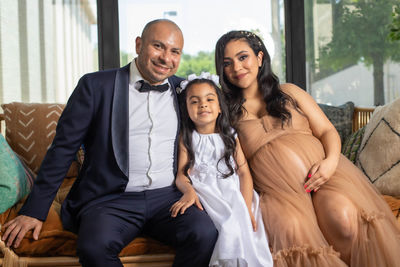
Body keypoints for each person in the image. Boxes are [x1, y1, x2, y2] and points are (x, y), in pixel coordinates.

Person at [1, 19, 218, 267]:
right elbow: (63, 149)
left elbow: (218, 127)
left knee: (205, 234)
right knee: (93, 247)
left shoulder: (185, 91)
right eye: (158, 46)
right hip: (109, 199)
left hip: (168, 198)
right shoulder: (95, 86)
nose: (165, 57)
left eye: (174, 51)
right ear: (139, 45)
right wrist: (34, 210)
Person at [215, 30, 400, 267]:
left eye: (243, 57)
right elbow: (234, 164)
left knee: (342, 218)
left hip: (324, 175)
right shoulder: (226, 113)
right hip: (278, 192)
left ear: (260, 58)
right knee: (291, 231)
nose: (237, 67)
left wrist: (331, 161)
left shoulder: (289, 92)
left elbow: (326, 131)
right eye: (227, 63)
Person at [169, 73, 273, 267]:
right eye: (194, 101)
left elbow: (243, 173)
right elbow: (181, 175)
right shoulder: (187, 137)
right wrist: (189, 191)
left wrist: (246, 205)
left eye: (209, 99)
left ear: (219, 108)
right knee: (228, 226)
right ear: (186, 109)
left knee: (243, 223)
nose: (203, 105)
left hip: (233, 191)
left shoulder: (230, 136)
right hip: (206, 193)